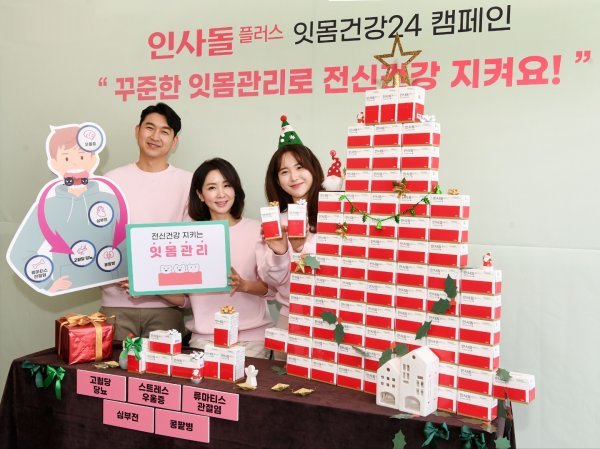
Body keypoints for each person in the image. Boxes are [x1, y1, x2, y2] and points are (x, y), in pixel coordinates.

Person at [162, 158, 289, 358]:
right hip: (203, 341)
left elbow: (272, 290)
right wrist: (149, 288)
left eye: (227, 185)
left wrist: (244, 285)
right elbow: (187, 300)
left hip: (251, 340)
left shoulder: (258, 230)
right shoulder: (188, 236)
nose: (221, 194)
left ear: (235, 190)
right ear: (200, 195)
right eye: (212, 187)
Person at [99, 103, 192, 340]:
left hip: (166, 306)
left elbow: (191, 245)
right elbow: (99, 237)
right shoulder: (111, 180)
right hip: (116, 304)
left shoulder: (189, 183)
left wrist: (153, 283)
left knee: (166, 364)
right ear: (137, 131)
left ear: (175, 141)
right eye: (149, 128)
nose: (155, 136)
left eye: (164, 131)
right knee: (113, 363)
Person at [6, 123, 128, 296]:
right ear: (54, 164)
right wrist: (47, 284)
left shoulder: (110, 200)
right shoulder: (48, 207)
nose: (75, 163)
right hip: (71, 285)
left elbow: (124, 244)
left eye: (82, 156)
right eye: (66, 158)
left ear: (93, 159)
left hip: (113, 288)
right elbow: (19, 252)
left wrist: (127, 275)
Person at [262, 116, 325, 338]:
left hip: (332, 315)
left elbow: (335, 268)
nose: (294, 177)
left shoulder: (335, 214)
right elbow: (273, 283)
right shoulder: (275, 221)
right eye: (284, 171)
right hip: (289, 317)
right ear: (277, 180)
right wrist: (280, 253)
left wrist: (301, 249)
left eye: (299, 167)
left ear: (313, 169)